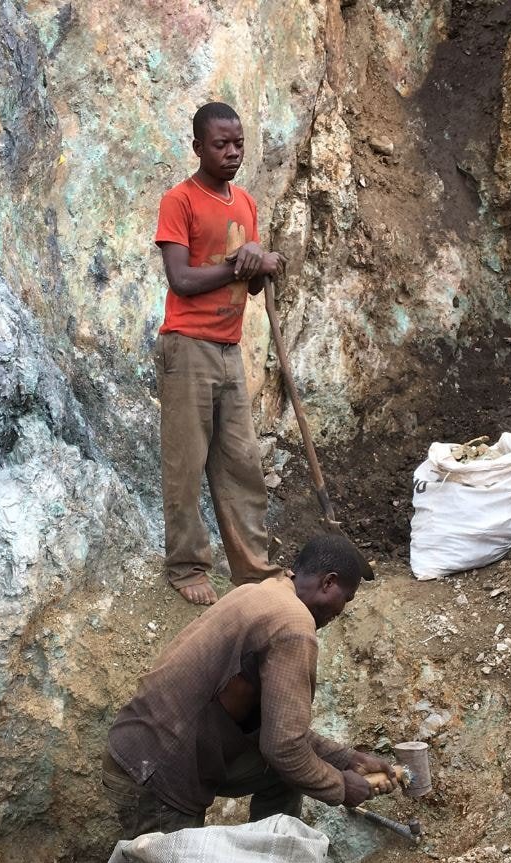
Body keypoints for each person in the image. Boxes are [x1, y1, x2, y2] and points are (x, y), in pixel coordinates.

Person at [101, 535, 396, 839]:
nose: (340, 612)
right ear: (328, 583)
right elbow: (283, 748)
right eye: (345, 600)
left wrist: (347, 759)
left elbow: (280, 729)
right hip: (157, 774)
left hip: (145, 750)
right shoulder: (293, 625)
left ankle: (270, 860)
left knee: (284, 777)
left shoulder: (259, 593)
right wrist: (341, 787)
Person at [154, 101, 287, 606]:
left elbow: (249, 286)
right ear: (198, 148)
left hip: (229, 351)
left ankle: (253, 569)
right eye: (220, 145)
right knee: (186, 464)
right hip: (186, 348)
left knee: (242, 463)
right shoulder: (180, 200)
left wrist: (262, 264)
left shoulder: (245, 204)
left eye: (238, 144)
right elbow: (182, 279)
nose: (232, 153)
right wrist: (240, 264)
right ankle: (186, 566)